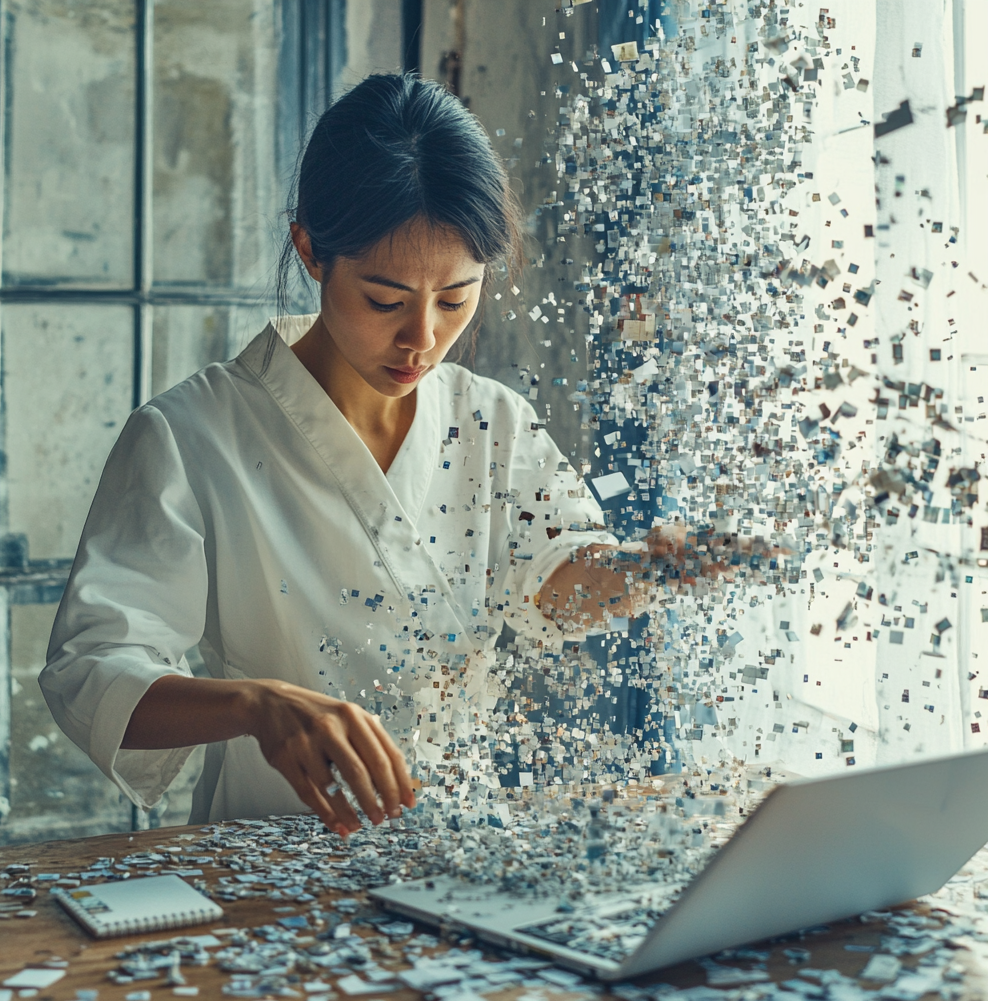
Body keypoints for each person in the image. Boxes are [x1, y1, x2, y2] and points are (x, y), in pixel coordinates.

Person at [39, 73, 692, 837]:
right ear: (311, 249)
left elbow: (552, 583)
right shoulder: (192, 433)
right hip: (271, 858)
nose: (422, 338)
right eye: (385, 300)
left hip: (463, 845)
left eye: (455, 299)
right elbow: (93, 669)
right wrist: (258, 705)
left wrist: (647, 572)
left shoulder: (490, 421)